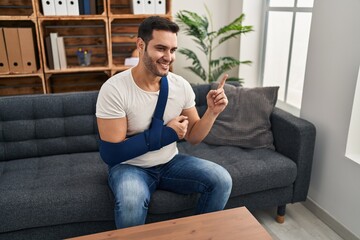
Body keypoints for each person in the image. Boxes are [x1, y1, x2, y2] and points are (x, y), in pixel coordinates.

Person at [96, 16, 232, 229]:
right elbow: (112, 154)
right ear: (141, 45)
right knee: (131, 202)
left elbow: (194, 136)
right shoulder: (114, 89)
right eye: (161, 48)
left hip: (170, 163)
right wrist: (167, 134)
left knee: (221, 179)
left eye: (173, 50)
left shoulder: (180, 86)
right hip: (130, 168)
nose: (168, 57)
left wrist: (212, 113)